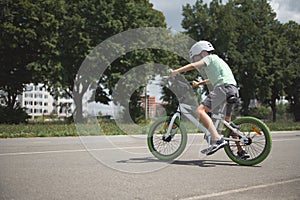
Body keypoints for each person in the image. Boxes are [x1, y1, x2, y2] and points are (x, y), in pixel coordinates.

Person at [170, 40, 249, 158]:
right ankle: (241, 150)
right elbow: (212, 79)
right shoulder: (217, 61)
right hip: (232, 89)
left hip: (223, 88)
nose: (195, 60)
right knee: (228, 124)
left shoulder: (209, 58)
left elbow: (192, 66)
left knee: (200, 111)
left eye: (195, 57)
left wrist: (176, 71)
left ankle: (217, 139)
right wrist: (199, 83)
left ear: (202, 53)